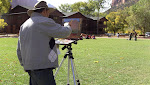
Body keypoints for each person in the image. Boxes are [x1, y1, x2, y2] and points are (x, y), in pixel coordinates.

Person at [17, 1, 74, 85]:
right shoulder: (43, 21)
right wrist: (67, 25)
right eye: (48, 12)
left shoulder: (24, 25)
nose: (48, 15)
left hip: (30, 67)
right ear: (44, 11)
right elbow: (64, 32)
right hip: (42, 68)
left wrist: (24, 64)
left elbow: (19, 49)